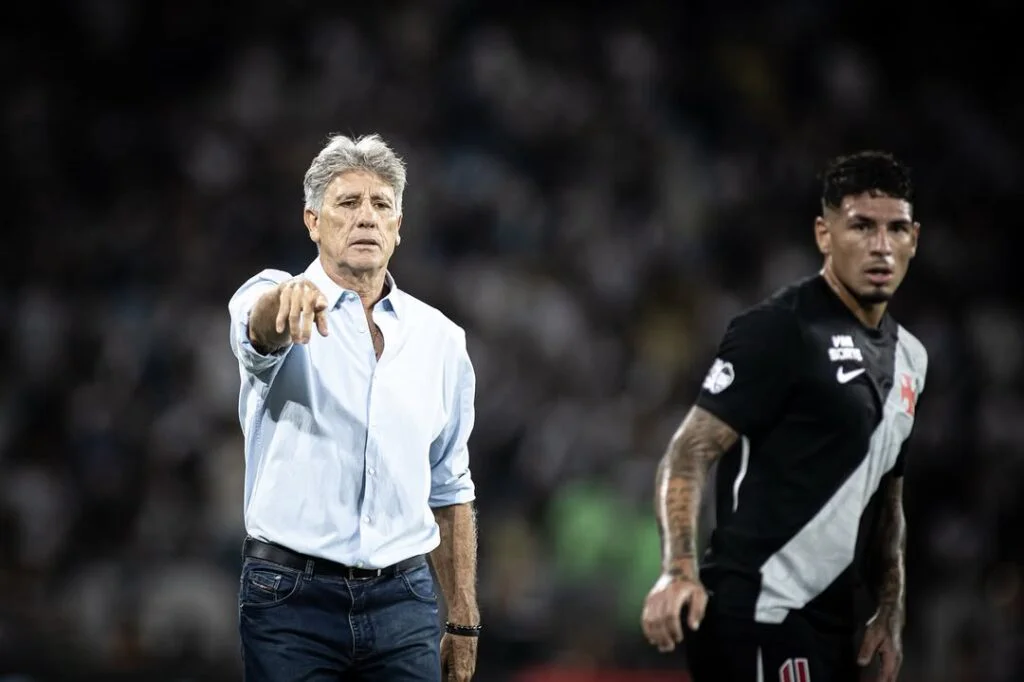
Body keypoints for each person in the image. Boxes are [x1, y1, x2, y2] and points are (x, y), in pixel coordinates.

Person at [641, 150, 928, 682]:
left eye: (896, 229)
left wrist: (891, 607)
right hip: (756, 612)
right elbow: (689, 451)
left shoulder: (912, 358)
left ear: (914, 238)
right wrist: (678, 569)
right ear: (824, 234)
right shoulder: (780, 329)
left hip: (835, 627)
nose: (881, 246)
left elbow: (889, 498)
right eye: (861, 226)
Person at [228, 133, 480, 682]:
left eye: (381, 204)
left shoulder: (441, 339)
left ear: (398, 226)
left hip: (404, 601)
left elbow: (449, 487)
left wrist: (463, 618)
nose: (366, 216)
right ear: (313, 221)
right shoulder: (278, 294)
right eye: (347, 202)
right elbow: (258, 330)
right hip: (291, 601)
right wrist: (284, 304)